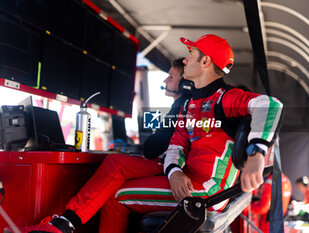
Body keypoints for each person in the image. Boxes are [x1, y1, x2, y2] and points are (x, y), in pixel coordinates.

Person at [8, 34, 283, 233]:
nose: (185, 59)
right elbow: (176, 143)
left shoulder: (226, 97)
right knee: (115, 163)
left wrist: (256, 155)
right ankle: (63, 224)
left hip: (206, 191)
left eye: (191, 54)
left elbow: (271, 104)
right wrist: (174, 171)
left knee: (116, 196)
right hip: (187, 179)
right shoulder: (189, 103)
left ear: (206, 61)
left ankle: (63, 225)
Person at [4, 58, 189, 233]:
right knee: (114, 184)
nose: (166, 79)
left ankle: (64, 224)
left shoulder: (182, 107)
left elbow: (151, 149)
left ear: (184, 83)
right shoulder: (182, 106)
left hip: (176, 171)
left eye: (171, 76)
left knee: (116, 163)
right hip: (171, 167)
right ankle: (64, 223)